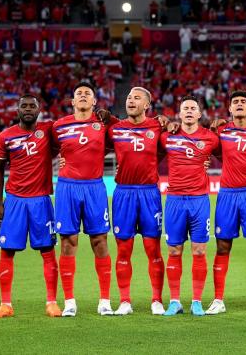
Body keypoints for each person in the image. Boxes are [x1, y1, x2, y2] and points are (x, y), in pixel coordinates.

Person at [0, 95, 60, 318]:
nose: (28, 109)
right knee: (7, 251)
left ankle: (51, 302)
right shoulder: (5, 136)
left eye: (32, 106)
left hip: (41, 200)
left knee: (47, 250)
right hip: (15, 201)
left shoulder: (49, 131)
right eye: (24, 106)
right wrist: (0, 204)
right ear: (17, 109)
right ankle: (6, 305)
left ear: (39, 110)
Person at [206, 91, 246, 316]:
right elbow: (205, 150)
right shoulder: (221, 131)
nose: (240, 104)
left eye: (244, 101)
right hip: (227, 195)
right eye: (235, 102)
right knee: (222, 246)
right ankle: (218, 300)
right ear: (230, 109)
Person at [53, 82, 114, 317]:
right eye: (78, 93)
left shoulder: (103, 126)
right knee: (68, 242)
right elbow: (45, 149)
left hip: (94, 188)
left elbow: (124, 144)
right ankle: (69, 301)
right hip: (67, 188)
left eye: (87, 94)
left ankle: (105, 301)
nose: (83, 96)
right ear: (72, 101)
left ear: (94, 101)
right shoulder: (58, 126)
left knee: (99, 241)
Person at [108, 87, 166, 316]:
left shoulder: (157, 126)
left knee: (154, 249)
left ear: (147, 106)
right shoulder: (115, 129)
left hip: (149, 194)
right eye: (129, 97)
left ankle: (157, 300)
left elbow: (171, 145)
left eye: (137, 98)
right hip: (123, 194)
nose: (131, 100)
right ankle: (124, 301)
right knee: (124, 250)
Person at [161, 96, 219, 316]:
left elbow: (233, 155)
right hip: (175, 200)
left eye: (192, 108)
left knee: (199, 250)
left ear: (199, 114)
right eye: (184, 108)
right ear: (179, 113)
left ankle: (196, 301)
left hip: (199, 200)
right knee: (174, 250)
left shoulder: (210, 138)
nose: (188, 111)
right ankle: (175, 301)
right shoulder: (167, 137)